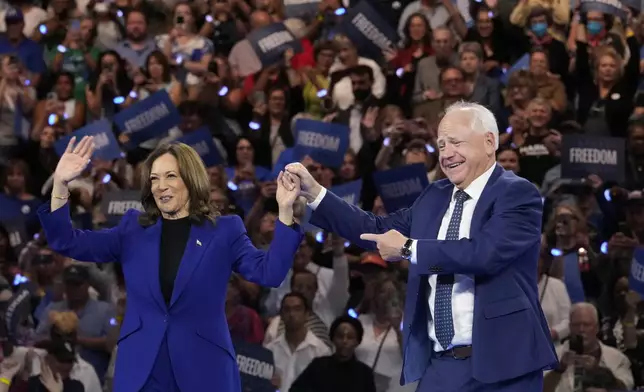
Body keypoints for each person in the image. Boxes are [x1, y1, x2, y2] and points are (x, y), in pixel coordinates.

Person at [283, 101, 558, 391]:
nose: (447, 154)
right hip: (441, 367)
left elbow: (484, 254)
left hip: (504, 363)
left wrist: (409, 249)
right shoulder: (434, 196)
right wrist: (315, 194)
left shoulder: (518, 193)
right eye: (440, 146)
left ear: (489, 142)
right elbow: (376, 229)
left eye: (455, 142)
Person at [37, 136, 304, 392]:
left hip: (204, 369)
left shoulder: (224, 231)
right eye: (154, 178)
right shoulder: (132, 229)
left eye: (170, 176)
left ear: (191, 179)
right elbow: (66, 242)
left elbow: (270, 273)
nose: (160, 185)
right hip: (143, 370)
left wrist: (285, 212)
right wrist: (60, 185)